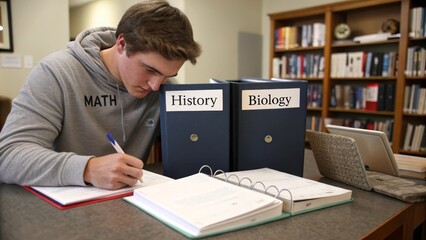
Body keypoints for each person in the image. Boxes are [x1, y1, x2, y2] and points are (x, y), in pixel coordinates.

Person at [0, 0, 201, 190]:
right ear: (122, 44)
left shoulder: (165, 87)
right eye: (150, 69)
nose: (156, 86)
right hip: (59, 210)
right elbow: (7, 156)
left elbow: (190, 145)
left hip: (131, 203)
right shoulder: (56, 73)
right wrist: (88, 169)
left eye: (167, 75)